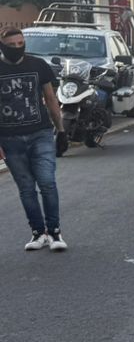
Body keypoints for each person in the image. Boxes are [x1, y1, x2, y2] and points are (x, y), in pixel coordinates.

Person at [0, 27, 69, 251]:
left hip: (40, 134)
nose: (17, 48)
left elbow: (50, 99)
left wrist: (61, 130)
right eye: (12, 45)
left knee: (47, 182)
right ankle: (38, 233)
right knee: (26, 188)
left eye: (21, 43)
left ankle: (55, 232)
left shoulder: (38, 65)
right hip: (10, 139)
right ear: (2, 46)